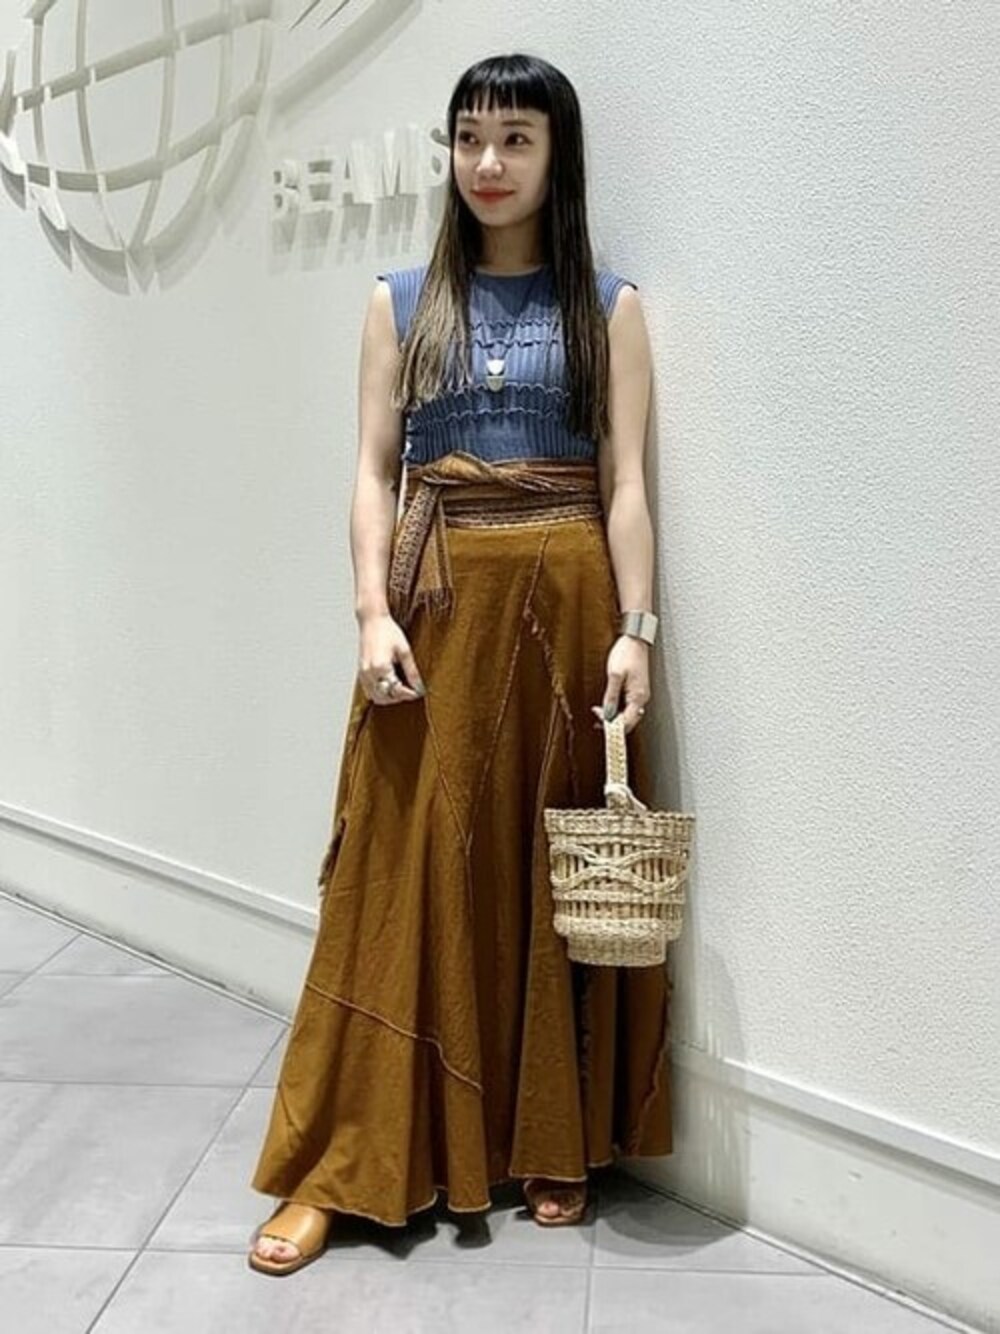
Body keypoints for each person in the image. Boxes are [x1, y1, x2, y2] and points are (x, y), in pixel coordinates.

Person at [247, 51, 672, 1277]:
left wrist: (636, 628)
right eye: (469, 137)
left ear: (556, 157)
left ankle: (550, 1135)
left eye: (515, 139)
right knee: (394, 876)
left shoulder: (608, 307)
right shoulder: (400, 301)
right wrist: (367, 613)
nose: (488, 162)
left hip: (567, 612)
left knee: (544, 872)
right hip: (429, 618)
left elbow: (626, 485)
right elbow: (371, 470)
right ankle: (336, 1163)